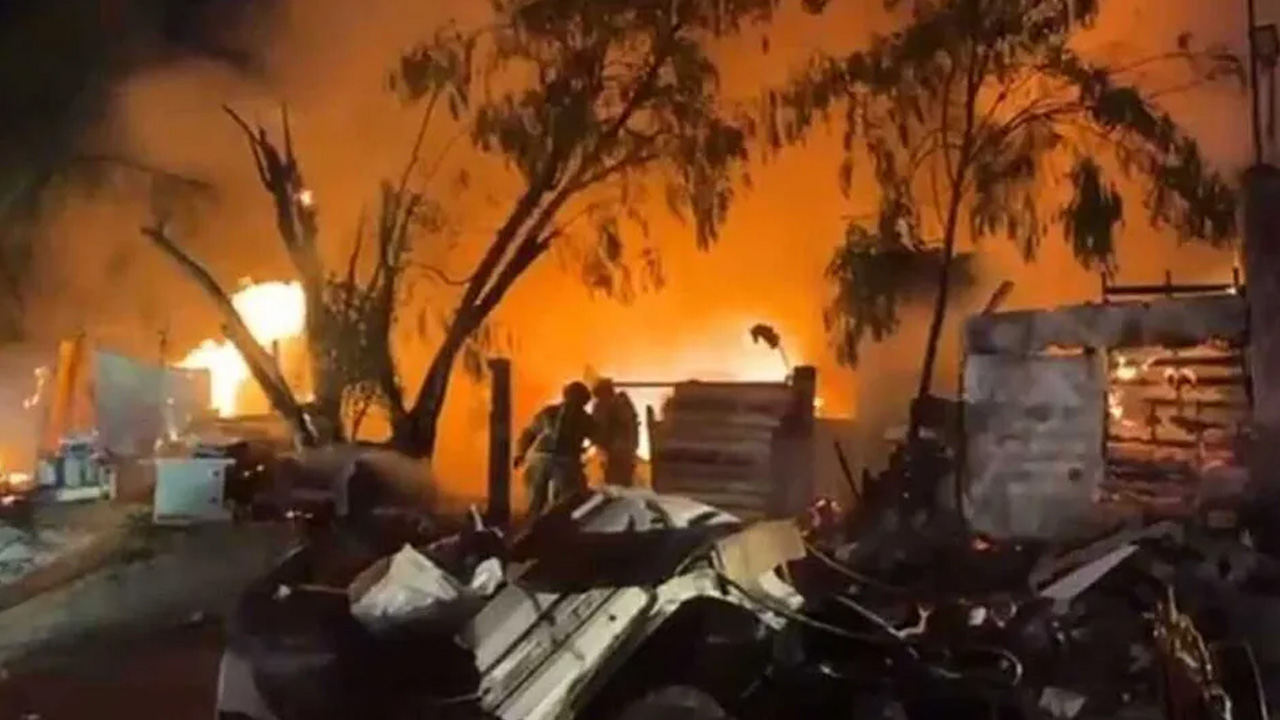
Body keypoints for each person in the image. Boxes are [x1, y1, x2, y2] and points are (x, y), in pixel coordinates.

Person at [514, 381, 595, 517]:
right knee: (568, 501)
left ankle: (530, 531)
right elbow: (599, 439)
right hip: (565, 463)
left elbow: (529, 433)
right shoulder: (585, 419)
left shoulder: (548, 412)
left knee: (535, 506)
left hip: (539, 459)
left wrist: (520, 453)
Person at [590, 378, 639, 487]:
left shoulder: (604, 405)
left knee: (614, 486)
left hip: (615, 453)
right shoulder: (624, 403)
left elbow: (598, 428)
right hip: (627, 451)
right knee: (625, 485)